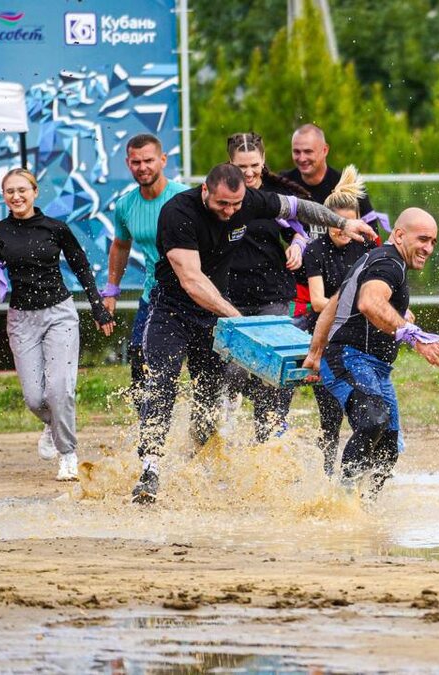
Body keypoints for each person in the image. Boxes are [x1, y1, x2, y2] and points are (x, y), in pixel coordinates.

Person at [131, 163, 376, 504]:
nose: (230, 211)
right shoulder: (178, 213)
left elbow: (299, 207)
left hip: (212, 316)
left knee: (209, 395)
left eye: (235, 205)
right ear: (206, 191)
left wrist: (343, 222)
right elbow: (192, 280)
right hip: (171, 311)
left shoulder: (249, 201)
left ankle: (196, 465)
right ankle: (150, 468)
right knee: (162, 382)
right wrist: (239, 319)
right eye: (222, 205)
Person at [302, 208, 439, 499]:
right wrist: (415, 337)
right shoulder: (389, 264)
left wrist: (315, 352)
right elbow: (370, 303)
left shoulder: (375, 258)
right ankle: (342, 504)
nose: (428, 248)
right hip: (349, 358)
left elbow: (333, 304)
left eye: (433, 241)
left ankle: (367, 509)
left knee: (388, 448)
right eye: (422, 239)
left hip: (373, 367)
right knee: (373, 420)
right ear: (398, 234)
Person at [0, 169, 116, 481]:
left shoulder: (55, 228)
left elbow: (81, 266)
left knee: (59, 389)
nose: (16, 196)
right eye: (10, 191)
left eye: (22, 190)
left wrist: (97, 306)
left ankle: (67, 454)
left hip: (59, 313)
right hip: (21, 319)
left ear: (35, 192)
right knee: (33, 398)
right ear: (4, 196)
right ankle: (52, 423)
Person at [224, 132, 311, 442]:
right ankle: (227, 420)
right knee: (234, 370)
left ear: (263, 162)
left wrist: (297, 247)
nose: (248, 173)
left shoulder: (275, 197)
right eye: (241, 166)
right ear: (229, 164)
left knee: (275, 364)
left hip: (273, 293)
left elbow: (302, 232)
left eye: (254, 166)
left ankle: (270, 429)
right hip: (231, 295)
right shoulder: (222, 194)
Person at [102, 134, 187, 413]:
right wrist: (111, 291)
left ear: (162, 160)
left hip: (194, 297)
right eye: (136, 162)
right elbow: (120, 246)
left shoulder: (185, 198)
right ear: (128, 163)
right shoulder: (125, 206)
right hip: (155, 296)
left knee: (205, 371)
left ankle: (208, 428)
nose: (143, 167)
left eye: (149, 160)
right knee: (140, 362)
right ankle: (149, 429)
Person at [304, 165, 378, 473]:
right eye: (337, 223)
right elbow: (318, 301)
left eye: (349, 222)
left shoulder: (367, 249)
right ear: (326, 221)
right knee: (330, 413)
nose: (342, 228)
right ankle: (326, 471)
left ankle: (365, 467)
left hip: (360, 338)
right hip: (326, 337)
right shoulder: (314, 251)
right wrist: (355, 305)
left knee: (370, 408)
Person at [281, 123, 383, 326]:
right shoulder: (284, 183)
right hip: (302, 286)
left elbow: (372, 240)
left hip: (344, 280)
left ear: (325, 150)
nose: (302, 158)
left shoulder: (346, 189)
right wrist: (296, 240)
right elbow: (273, 227)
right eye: (296, 152)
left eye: (308, 151)